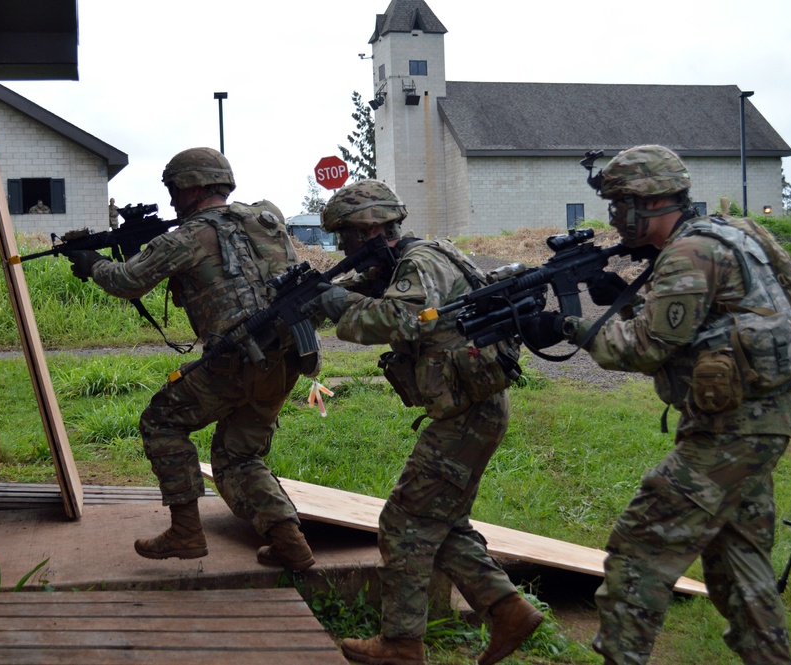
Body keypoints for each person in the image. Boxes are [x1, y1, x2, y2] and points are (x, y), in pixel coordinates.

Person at [525, 145, 791, 664]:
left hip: (727, 434)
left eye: (618, 207)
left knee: (639, 550)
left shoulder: (686, 254)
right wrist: (624, 295)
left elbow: (645, 347)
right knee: (740, 568)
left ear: (646, 204)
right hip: (762, 426)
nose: (614, 219)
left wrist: (572, 327)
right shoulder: (736, 234)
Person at [303, 180, 544, 665]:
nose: (342, 247)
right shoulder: (424, 253)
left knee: (403, 520)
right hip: (475, 405)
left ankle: (400, 644)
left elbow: (402, 319)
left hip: (466, 414)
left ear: (369, 229)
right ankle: (507, 609)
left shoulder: (418, 264)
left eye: (345, 236)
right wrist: (325, 293)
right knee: (440, 520)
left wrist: (336, 305)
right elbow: (383, 294)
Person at [66, 147, 319, 571]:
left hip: (237, 359)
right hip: (290, 353)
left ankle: (186, 531)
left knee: (162, 421)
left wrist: (92, 263)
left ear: (193, 187)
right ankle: (290, 543)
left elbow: (129, 281)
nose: (171, 202)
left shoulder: (188, 236)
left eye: (174, 190)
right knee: (239, 455)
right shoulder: (266, 218)